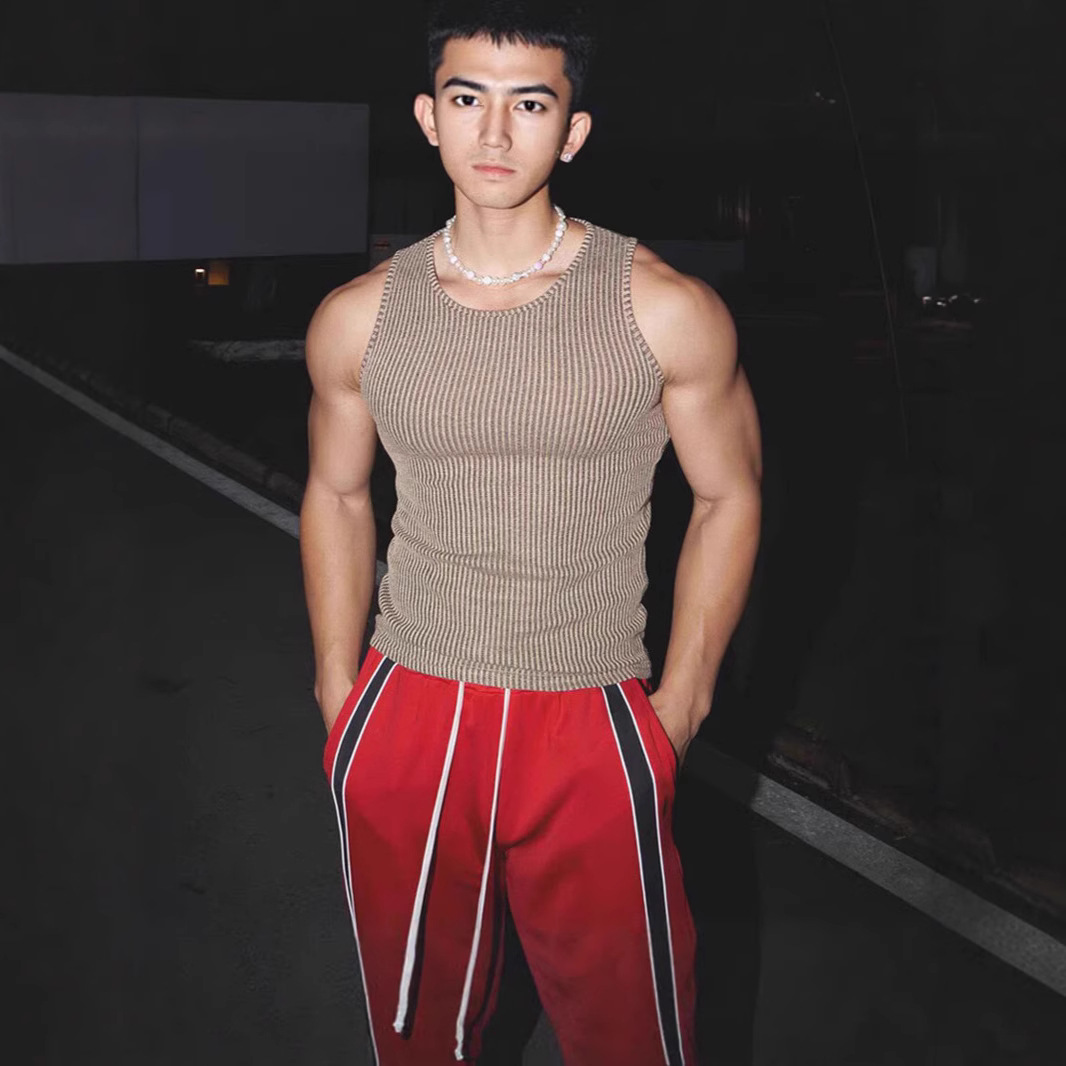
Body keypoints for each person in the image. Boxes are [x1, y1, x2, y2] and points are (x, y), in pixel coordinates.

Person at [299, 2, 762, 1062]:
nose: (495, 132)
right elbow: (336, 494)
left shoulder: (663, 307)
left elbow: (729, 497)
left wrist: (681, 704)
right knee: (419, 1033)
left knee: (634, 1035)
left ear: (574, 129)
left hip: (587, 712)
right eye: (467, 98)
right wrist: (337, 688)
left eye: (530, 104)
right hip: (409, 709)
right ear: (429, 116)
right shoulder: (360, 314)